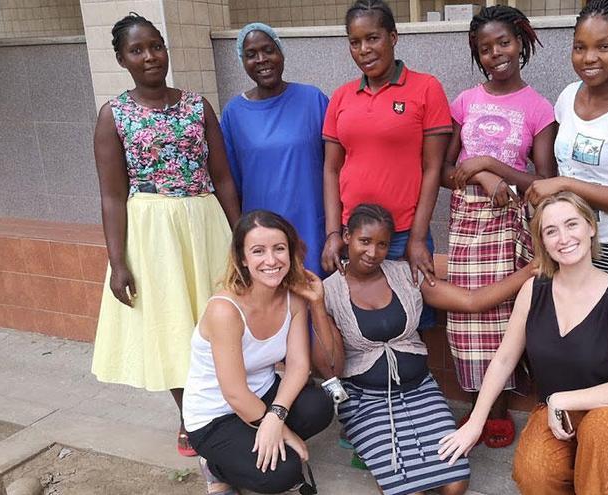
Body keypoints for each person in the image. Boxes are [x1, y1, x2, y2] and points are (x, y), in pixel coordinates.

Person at [90, 13, 240, 458]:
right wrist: (118, 263)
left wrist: (241, 235)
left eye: (156, 46)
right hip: (153, 232)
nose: (150, 56)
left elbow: (225, 179)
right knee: (174, 324)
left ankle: (227, 404)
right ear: (122, 59)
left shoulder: (198, 106)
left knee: (217, 319)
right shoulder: (113, 116)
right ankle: (189, 415)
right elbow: (112, 197)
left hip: (206, 222)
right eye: (137, 50)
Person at [309, 203, 536, 495]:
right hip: (367, 402)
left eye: (382, 245)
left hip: (420, 392)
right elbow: (331, 369)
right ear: (347, 237)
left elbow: (471, 301)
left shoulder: (406, 275)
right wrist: (316, 305)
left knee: (454, 486)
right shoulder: (330, 292)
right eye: (364, 241)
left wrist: (530, 271)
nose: (372, 252)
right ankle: (371, 446)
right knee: (410, 491)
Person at [439, 191, 608, 495]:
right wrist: (475, 422)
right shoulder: (533, 290)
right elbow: (503, 359)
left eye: (572, 225)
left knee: (601, 431)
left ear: (591, 227)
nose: (563, 238)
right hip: (555, 412)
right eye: (551, 231)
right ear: (543, 243)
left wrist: (561, 400)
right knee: (535, 473)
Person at [441, 5, 557, 448]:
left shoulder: (539, 107)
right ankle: (475, 402)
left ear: (522, 42)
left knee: (505, 314)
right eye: (485, 48)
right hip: (467, 221)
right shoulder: (465, 101)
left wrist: (493, 165)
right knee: (465, 319)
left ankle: (501, 406)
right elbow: (447, 167)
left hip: (511, 222)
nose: (496, 54)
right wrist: (483, 175)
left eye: (503, 43)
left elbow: (545, 181)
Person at [524, 0, 608, 307]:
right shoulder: (567, 95)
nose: (589, 58)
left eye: (603, 47)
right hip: (570, 243)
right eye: (580, 47)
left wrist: (565, 185)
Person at [183, 210, 333, 495]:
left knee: (320, 406)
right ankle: (216, 467)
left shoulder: (293, 298)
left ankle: (254, 446)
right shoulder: (225, 311)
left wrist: (275, 417)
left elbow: (299, 366)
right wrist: (283, 431)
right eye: (258, 251)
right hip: (215, 416)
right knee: (283, 474)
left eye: (279, 248)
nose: (271, 260)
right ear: (242, 258)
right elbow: (235, 394)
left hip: (263, 395)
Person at [321, 0, 452, 292]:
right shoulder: (341, 97)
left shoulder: (426, 88)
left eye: (372, 38)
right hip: (353, 237)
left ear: (392, 37)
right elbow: (331, 169)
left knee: (418, 315)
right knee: (356, 321)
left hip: (403, 235)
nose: (364, 49)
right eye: (355, 42)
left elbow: (432, 169)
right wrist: (333, 233)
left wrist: (418, 238)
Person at [220, 22, 329, 276]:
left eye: (268, 50)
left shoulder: (313, 100)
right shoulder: (234, 113)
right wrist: (240, 237)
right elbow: (230, 183)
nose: (261, 59)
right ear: (242, 61)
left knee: (314, 297)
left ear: (280, 52)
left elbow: (335, 168)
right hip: (262, 234)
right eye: (251, 54)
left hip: (311, 226)